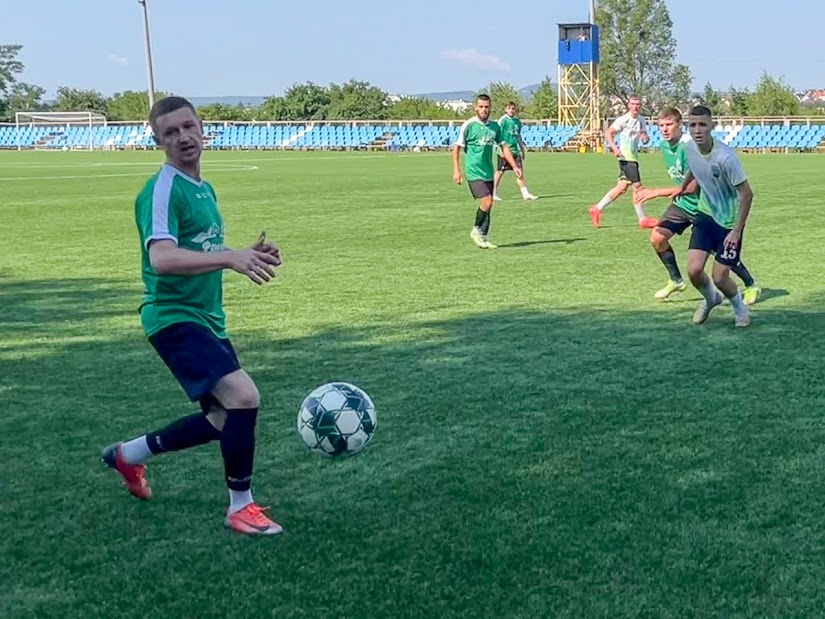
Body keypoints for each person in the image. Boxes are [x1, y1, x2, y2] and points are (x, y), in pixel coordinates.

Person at [100, 96, 284, 535]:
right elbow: (162, 258)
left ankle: (128, 455)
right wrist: (228, 257)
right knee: (243, 397)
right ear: (157, 140)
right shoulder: (162, 188)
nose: (183, 137)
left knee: (224, 418)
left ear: (202, 128)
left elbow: (198, 248)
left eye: (188, 127)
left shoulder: (204, 187)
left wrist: (245, 254)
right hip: (173, 316)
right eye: (170, 132)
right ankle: (241, 506)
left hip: (205, 318)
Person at [636, 106, 761, 303]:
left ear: (679, 126)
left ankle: (750, 284)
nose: (665, 129)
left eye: (669, 124)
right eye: (661, 125)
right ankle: (676, 280)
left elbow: (694, 187)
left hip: (705, 207)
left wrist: (656, 192)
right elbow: (691, 175)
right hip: (684, 205)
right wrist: (680, 188)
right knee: (658, 237)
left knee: (720, 256)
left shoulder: (693, 146)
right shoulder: (666, 146)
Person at [678, 105, 753, 327]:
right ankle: (711, 299)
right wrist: (683, 186)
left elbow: (747, 194)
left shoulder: (726, 158)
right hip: (705, 215)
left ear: (712, 125)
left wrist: (736, 231)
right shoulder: (689, 148)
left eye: (702, 124)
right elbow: (694, 167)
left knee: (720, 277)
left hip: (729, 223)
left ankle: (740, 308)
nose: (697, 129)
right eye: (692, 125)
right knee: (693, 270)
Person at [452, 94, 522, 249]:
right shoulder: (469, 125)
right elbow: (457, 147)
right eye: (481, 106)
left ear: (490, 108)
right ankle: (476, 229)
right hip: (473, 171)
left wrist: (515, 166)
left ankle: (484, 237)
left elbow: (504, 146)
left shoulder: (494, 127)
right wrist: (457, 171)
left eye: (487, 107)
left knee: (489, 205)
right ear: (476, 107)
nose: (484, 109)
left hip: (488, 171)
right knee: (487, 200)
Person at [588, 94, 658, 229]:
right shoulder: (623, 120)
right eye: (633, 104)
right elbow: (609, 133)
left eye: (638, 104)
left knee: (621, 187)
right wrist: (614, 148)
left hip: (633, 157)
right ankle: (642, 219)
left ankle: (597, 209)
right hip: (626, 158)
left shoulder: (641, 120)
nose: (635, 107)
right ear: (629, 105)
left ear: (640, 106)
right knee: (637, 187)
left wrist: (645, 138)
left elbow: (644, 135)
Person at [493, 101, 538, 202]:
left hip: (515, 150)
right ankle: (494, 193)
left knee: (519, 172)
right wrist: (499, 149)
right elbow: (497, 135)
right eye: (509, 109)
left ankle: (525, 194)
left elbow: (518, 136)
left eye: (513, 109)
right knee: (500, 172)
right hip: (505, 150)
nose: (511, 111)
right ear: (506, 109)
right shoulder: (503, 121)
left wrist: (522, 149)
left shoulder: (517, 122)